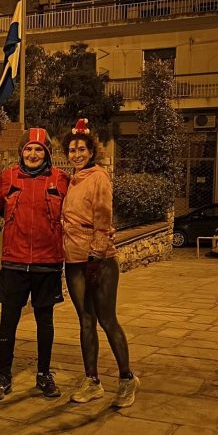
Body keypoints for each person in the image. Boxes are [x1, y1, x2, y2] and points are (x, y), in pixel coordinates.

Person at [0, 128, 70, 401]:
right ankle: (3, 375)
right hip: (15, 262)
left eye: (38, 149)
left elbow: (78, 210)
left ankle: (44, 374)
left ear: (47, 153)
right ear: (21, 152)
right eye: (28, 149)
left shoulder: (60, 179)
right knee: (8, 321)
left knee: (45, 321)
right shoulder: (8, 177)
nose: (32, 154)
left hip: (48, 262)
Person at [61, 119, 139, 407]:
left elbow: (103, 216)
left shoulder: (99, 177)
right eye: (72, 150)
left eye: (82, 149)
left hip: (99, 260)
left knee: (107, 319)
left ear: (91, 151)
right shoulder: (71, 179)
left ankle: (127, 378)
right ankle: (92, 380)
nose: (77, 154)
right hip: (73, 259)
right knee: (85, 320)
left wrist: (95, 253)